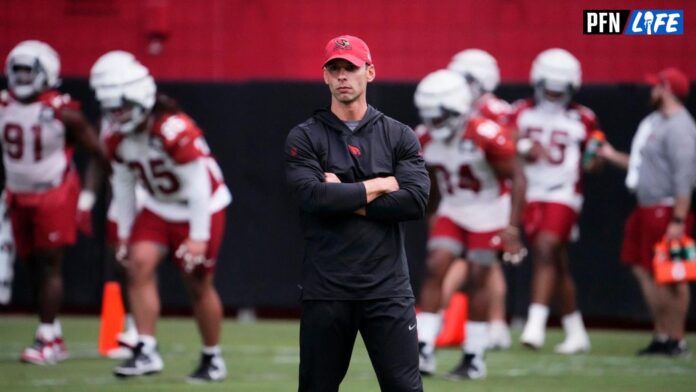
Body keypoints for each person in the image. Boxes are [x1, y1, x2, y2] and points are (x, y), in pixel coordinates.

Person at [285, 35, 429, 391]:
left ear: (370, 72)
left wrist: (344, 196)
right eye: (334, 69)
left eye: (350, 68)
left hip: (387, 288)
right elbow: (313, 198)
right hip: (327, 289)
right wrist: (380, 184)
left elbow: (414, 202)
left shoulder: (399, 135)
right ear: (325, 77)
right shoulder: (305, 137)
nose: (342, 76)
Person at [92, 53, 232, 381]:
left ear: (139, 97)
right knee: (136, 263)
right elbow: (123, 184)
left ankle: (212, 357)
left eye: (121, 106)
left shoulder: (173, 128)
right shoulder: (116, 136)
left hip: (201, 207)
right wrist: (124, 233)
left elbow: (198, 186)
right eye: (111, 107)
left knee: (197, 283)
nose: (116, 114)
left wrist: (198, 236)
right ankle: (145, 348)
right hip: (157, 205)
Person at [0, 40, 110, 365]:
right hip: (17, 193)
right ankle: (53, 333)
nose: (20, 78)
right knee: (32, 264)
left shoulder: (63, 112)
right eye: (16, 70)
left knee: (50, 265)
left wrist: (87, 197)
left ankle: (46, 337)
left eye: (27, 71)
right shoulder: (4, 105)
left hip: (53, 192)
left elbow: (100, 154)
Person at [413, 69, 525, 380]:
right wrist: (432, 214)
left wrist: (512, 227)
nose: (433, 124)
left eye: (439, 116)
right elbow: (432, 180)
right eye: (428, 116)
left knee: (478, 276)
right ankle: (423, 347)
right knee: (436, 264)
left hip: (489, 211)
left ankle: (474, 356)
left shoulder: (485, 134)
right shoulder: (423, 138)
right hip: (453, 208)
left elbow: (517, 177)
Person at [599, 67, 696, 357]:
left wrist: (679, 218)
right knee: (643, 270)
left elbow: (684, 175)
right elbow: (643, 168)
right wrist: (610, 155)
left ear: (666, 90)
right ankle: (662, 332)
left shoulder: (680, 127)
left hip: (667, 210)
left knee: (672, 276)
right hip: (645, 208)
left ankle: (676, 338)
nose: (651, 91)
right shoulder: (656, 123)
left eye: (656, 87)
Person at [512, 48, 598, 354]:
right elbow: (501, 140)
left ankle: (535, 325)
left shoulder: (584, 118)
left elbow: (593, 158)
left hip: (563, 193)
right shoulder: (520, 111)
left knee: (546, 248)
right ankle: (576, 332)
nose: (552, 95)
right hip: (530, 193)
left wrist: (595, 159)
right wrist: (523, 144)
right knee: (555, 262)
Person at [447, 48, 515, 350]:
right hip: (466, 194)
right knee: (486, 263)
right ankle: (497, 324)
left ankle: (438, 313)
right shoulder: (461, 106)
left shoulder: (496, 112)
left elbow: (512, 152)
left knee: (477, 260)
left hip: (489, 196)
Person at [86, 51, 146, 358]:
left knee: (141, 263)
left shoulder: (149, 114)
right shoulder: (107, 121)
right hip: (121, 196)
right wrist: (87, 198)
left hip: (150, 197)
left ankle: (142, 332)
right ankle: (132, 328)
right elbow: (102, 159)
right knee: (120, 261)